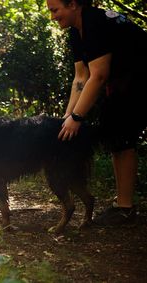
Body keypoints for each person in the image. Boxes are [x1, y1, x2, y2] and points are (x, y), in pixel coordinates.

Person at [46, 0, 147, 225]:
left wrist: (78, 118)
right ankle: (125, 206)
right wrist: (66, 118)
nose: (52, 17)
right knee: (118, 138)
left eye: (55, 10)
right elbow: (81, 78)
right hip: (123, 83)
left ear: (73, 4)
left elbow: (99, 75)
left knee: (122, 136)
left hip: (138, 80)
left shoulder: (95, 22)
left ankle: (126, 207)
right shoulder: (76, 31)